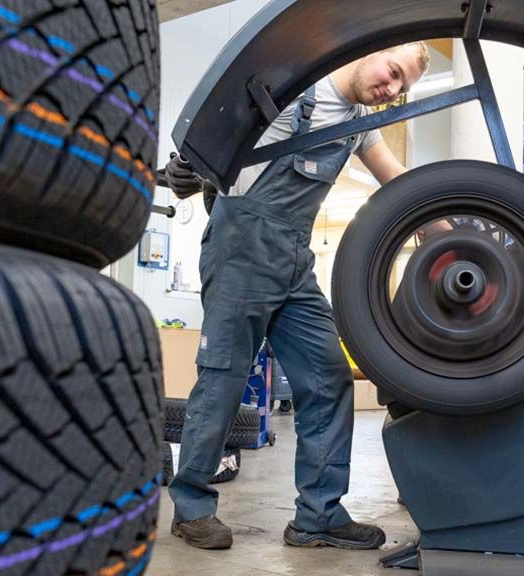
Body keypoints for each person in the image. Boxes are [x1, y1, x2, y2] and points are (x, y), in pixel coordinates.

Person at [163, 43, 430, 550]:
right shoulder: (286, 87)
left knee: (329, 376)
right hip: (242, 246)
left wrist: (454, 226)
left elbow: (400, 185)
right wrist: (187, 170)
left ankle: (318, 516)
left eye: (403, 88)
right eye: (394, 72)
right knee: (223, 378)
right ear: (373, 53)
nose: (392, 89)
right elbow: (210, 142)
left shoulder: (359, 124)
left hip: (294, 261)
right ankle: (192, 506)